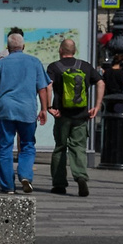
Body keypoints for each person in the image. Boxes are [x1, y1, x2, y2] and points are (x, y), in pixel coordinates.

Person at [0, 31, 51, 196]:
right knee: (28, 145)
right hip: (26, 109)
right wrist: (44, 109)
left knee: (5, 147)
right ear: (23, 46)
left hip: (4, 109)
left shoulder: (2, 64)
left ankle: (8, 186)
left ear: (8, 47)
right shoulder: (35, 62)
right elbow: (42, 88)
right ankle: (25, 176)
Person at [45, 33, 102, 197]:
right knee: (78, 148)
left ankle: (59, 184)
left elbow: (48, 86)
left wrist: (49, 106)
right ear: (74, 50)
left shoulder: (54, 67)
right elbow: (100, 82)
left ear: (60, 50)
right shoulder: (85, 66)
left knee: (60, 147)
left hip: (61, 115)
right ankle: (81, 177)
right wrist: (96, 106)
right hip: (81, 115)